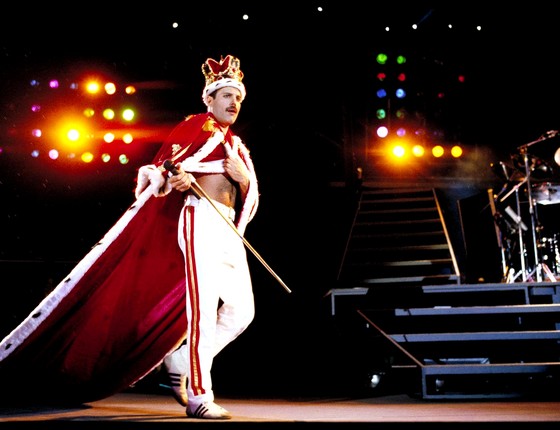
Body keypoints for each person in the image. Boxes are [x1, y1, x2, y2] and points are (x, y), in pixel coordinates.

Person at [134, 54, 259, 419]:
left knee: (241, 312)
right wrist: (178, 180)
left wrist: (244, 178)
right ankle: (199, 396)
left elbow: (249, 192)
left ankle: (179, 360)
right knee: (202, 311)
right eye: (226, 96)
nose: (234, 103)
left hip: (228, 226)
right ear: (209, 99)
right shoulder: (194, 127)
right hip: (199, 218)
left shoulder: (235, 143)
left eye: (238, 97)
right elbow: (166, 168)